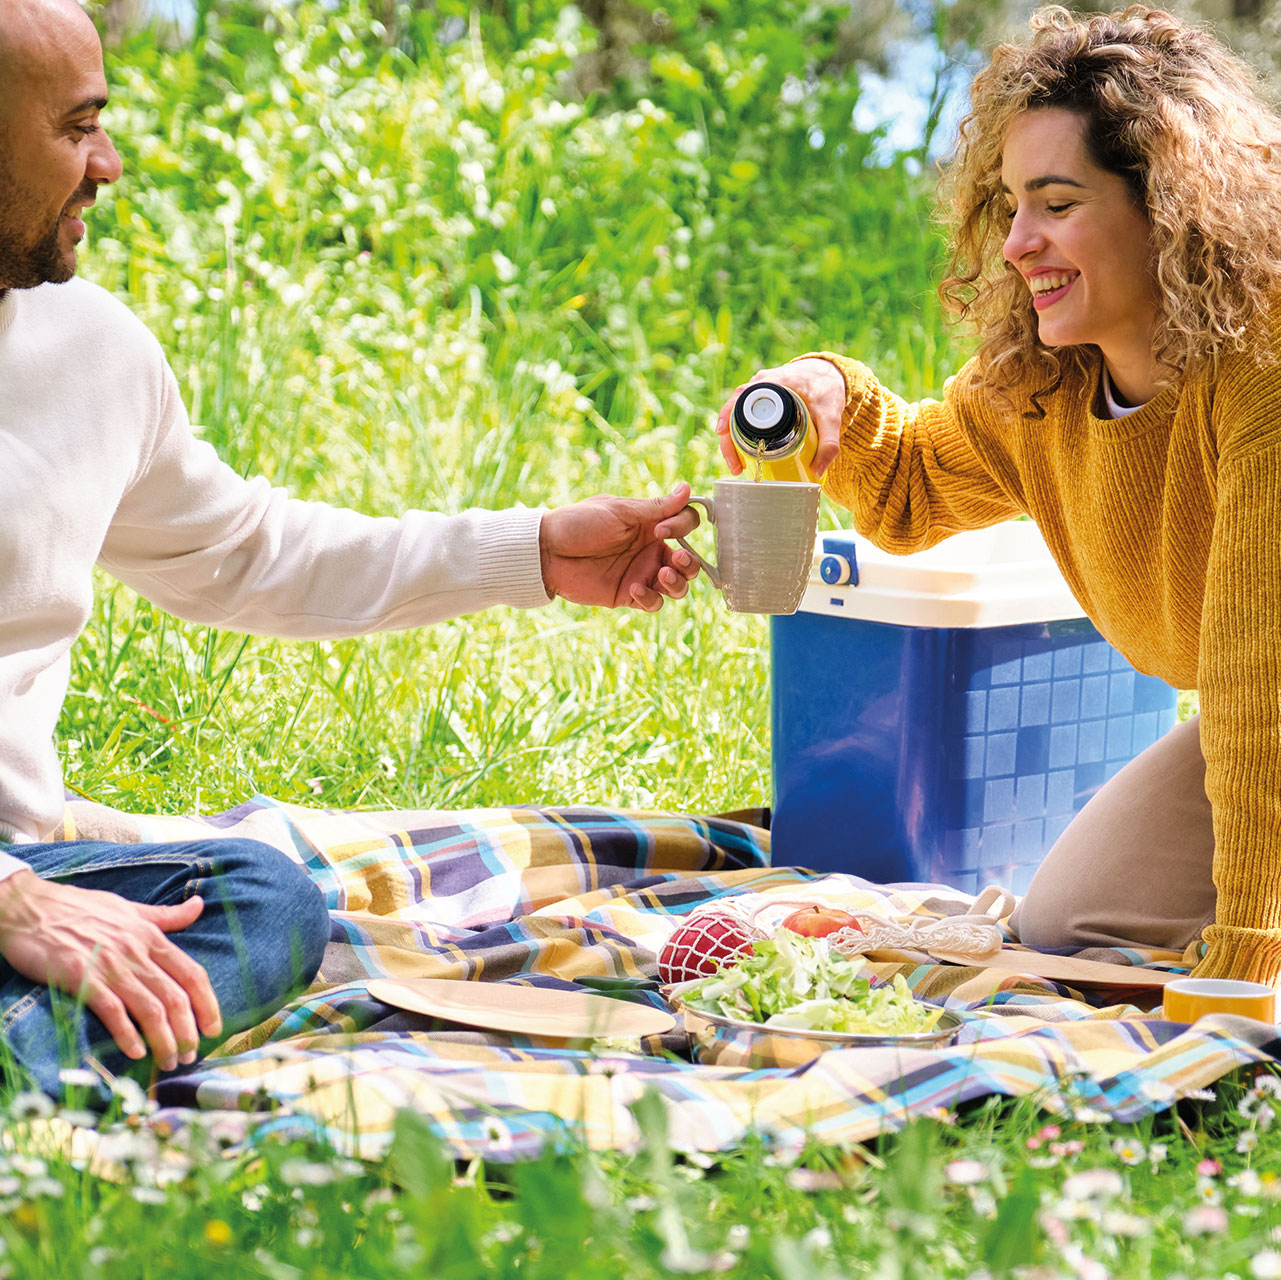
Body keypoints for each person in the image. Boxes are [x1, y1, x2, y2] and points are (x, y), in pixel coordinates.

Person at [0, 0, 701, 1096]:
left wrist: (532, 553)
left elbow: (251, 552)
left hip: (32, 862)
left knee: (257, 900)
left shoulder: (94, 352)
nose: (109, 164)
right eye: (77, 128)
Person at [717, 5, 1281, 986]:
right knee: (1069, 919)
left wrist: (1249, 956)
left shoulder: (1261, 374)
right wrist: (824, 395)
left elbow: (1257, 686)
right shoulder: (1045, 387)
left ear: (1172, 206)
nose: (1018, 243)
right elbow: (913, 480)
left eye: (1056, 203)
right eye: (1012, 205)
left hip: (1267, 700)